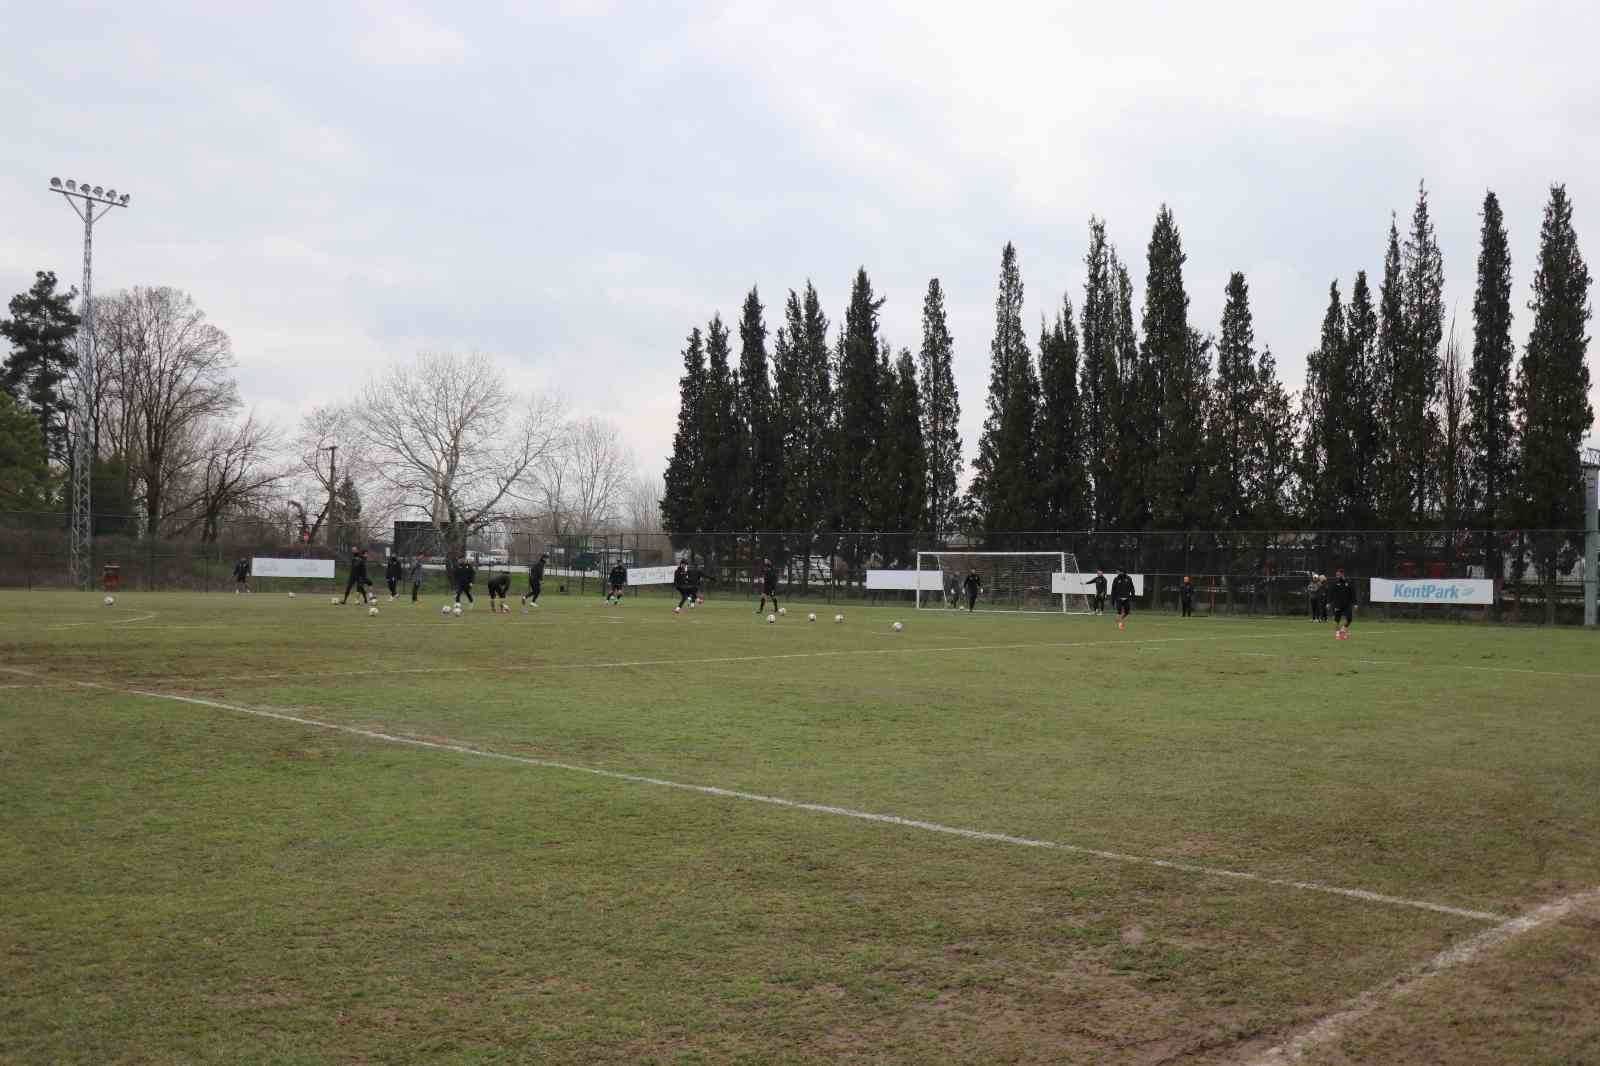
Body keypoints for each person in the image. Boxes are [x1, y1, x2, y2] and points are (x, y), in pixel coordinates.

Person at [1328, 568, 1356, 639]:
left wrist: (1355, 603)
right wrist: (1328, 602)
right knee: (1337, 620)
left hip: (1347, 604)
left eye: (1338, 575)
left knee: (1349, 619)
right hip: (1338, 604)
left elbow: (1353, 593)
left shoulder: (1349, 582)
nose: (1337, 576)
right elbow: (1331, 593)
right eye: (1336, 575)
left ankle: (1343, 629)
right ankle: (1337, 634)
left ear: (1342, 574)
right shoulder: (1335, 583)